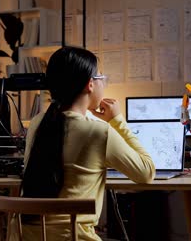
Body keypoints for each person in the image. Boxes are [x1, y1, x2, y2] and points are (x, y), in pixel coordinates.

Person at [19, 46, 155, 240]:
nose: (103, 84)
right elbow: (147, 172)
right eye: (101, 79)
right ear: (90, 84)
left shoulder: (37, 123)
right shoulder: (99, 132)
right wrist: (117, 120)